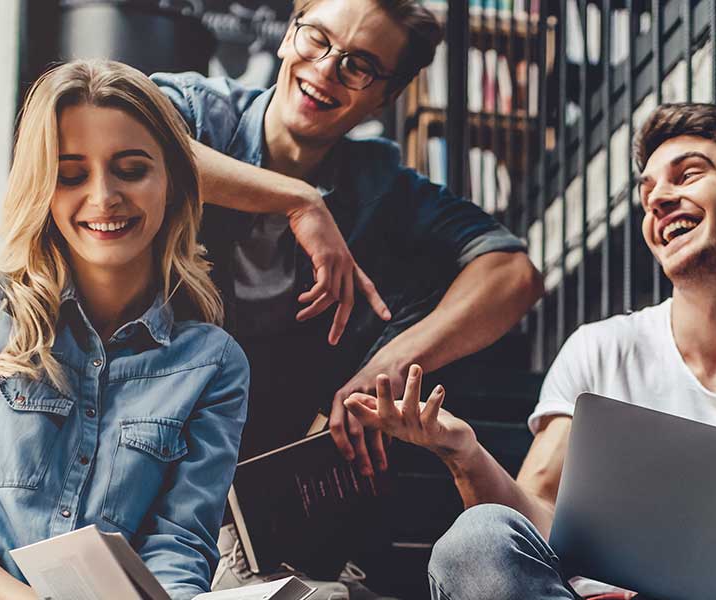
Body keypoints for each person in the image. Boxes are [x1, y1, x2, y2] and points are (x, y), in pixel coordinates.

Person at [345, 103, 716, 599]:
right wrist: (464, 454)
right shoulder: (602, 350)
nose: (659, 199)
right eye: (647, 192)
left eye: (688, 175)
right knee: (475, 540)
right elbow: (533, 522)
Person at [0, 59, 249, 600]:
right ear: (42, 186)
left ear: (172, 180)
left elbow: (179, 546)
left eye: (131, 169)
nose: (103, 197)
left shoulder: (214, 364)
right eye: (71, 175)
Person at [149, 0, 540, 475]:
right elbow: (115, 137)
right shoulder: (200, 109)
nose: (327, 68)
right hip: (142, 412)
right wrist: (297, 199)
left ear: (386, 97)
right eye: (317, 37)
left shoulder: (380, 183)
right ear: (287, 35)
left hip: (269, 448)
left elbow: (512, 272)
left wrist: (392, 364)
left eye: (361, 66)